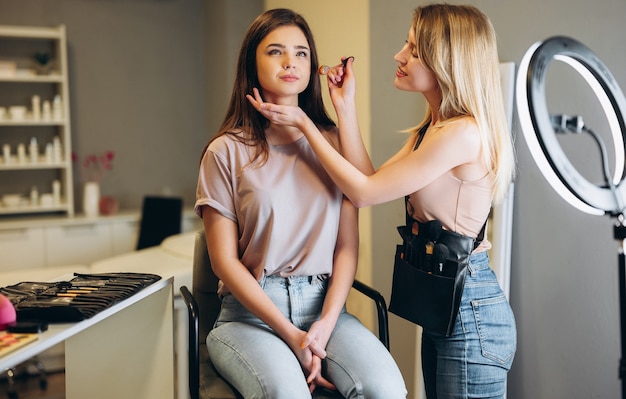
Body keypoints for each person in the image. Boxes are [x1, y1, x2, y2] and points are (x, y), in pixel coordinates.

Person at [248, 4, 517, 399]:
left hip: (471, 311)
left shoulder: (462, 134)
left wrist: (305, 124)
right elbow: (370, 180)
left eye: (413, 50)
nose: (399, 56)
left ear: (445, 61)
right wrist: (345, 107)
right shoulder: (433, 128)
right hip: (447, 304)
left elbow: (361, 193)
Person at [195, 8, 407, 399]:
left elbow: (350, 234)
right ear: (251, 63)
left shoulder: (331, 141)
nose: (291, 61)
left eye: (302, 53)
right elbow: (223, 262)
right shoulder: (225, 151)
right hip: (250, 317)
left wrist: (326, 322)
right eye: (275, 51)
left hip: (325, 305)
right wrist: (290, 333)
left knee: (386, 390)